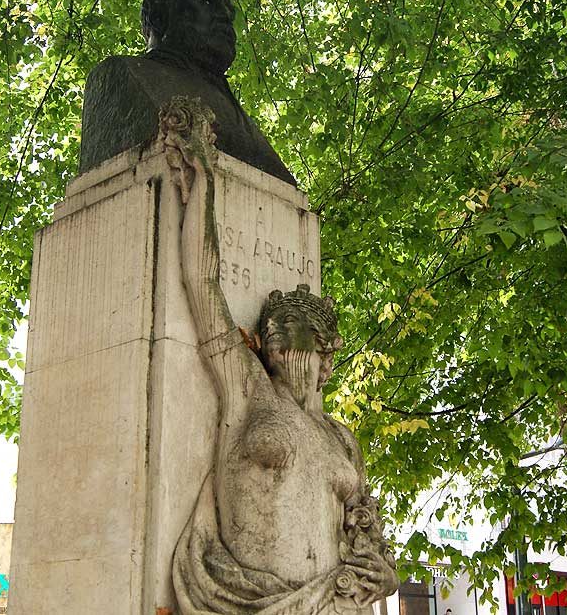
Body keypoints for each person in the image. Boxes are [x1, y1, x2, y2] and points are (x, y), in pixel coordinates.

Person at [170, 101, 397, 614]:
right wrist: (202, 181)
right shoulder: (248, 388)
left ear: (325, 356)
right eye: (271, 337)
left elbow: (370, 547)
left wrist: (381, 574)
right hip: (249, 601)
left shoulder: (343, 440)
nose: (276, 345)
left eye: (292, 337)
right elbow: (203, 287)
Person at [79, 0, 294, 185]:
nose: (225, 17)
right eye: (208, 2)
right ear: (160, 16)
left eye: (229, 11)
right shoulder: (121, 76)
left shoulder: (228, 104)